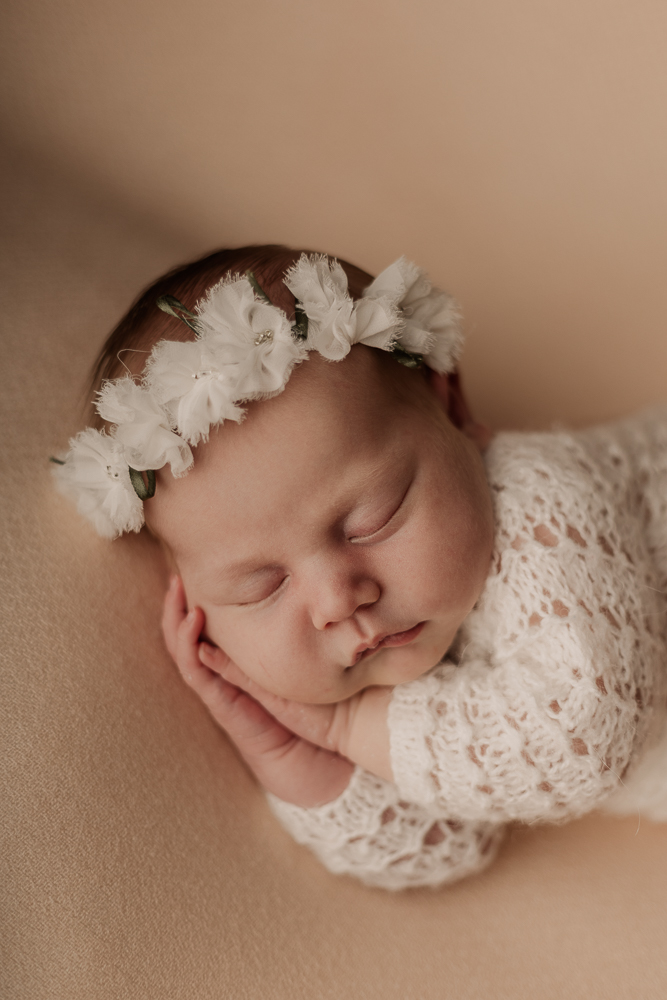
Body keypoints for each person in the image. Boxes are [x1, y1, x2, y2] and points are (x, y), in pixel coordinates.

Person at [53, 245, 667, 890]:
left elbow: (579, 741)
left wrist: (344, 727)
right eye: (261, 586)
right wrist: (287, 749)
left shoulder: (546, 502)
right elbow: (444, 845)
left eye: (370, 520)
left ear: (451, 408)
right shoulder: (376, 660)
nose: (337, 600)